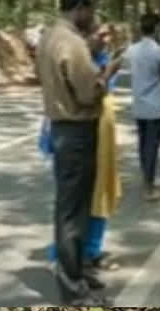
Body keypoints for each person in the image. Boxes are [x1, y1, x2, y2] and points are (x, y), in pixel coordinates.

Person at [37, 0, 110, 305]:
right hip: (77, 130)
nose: (93, 16)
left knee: (72, 208)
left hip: (61, 128)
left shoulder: (49, 36)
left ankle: (77, 271)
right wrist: (106, 75)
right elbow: (87, 93)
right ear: (80, 7)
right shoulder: (72, 42)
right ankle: (73, 287)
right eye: (91, 10)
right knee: (73, 212)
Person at [39, 27, 123, 277]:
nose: (104, 40)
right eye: (99, 34)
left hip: (98, 136)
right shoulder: (75, 59)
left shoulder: (99, 60)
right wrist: (108, 73)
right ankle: (65, 261)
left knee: (97, 197)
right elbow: (89, 95)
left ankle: (89, 253)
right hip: (78, 136)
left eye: (107, 36)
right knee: (72, 205)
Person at [125, 13, 160, 201]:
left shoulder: (132, 50)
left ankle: (147, 180)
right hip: (156, 104)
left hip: (139, 104)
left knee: (143, 144)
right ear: (156, 29)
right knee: (152, 146)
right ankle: (149, 187)